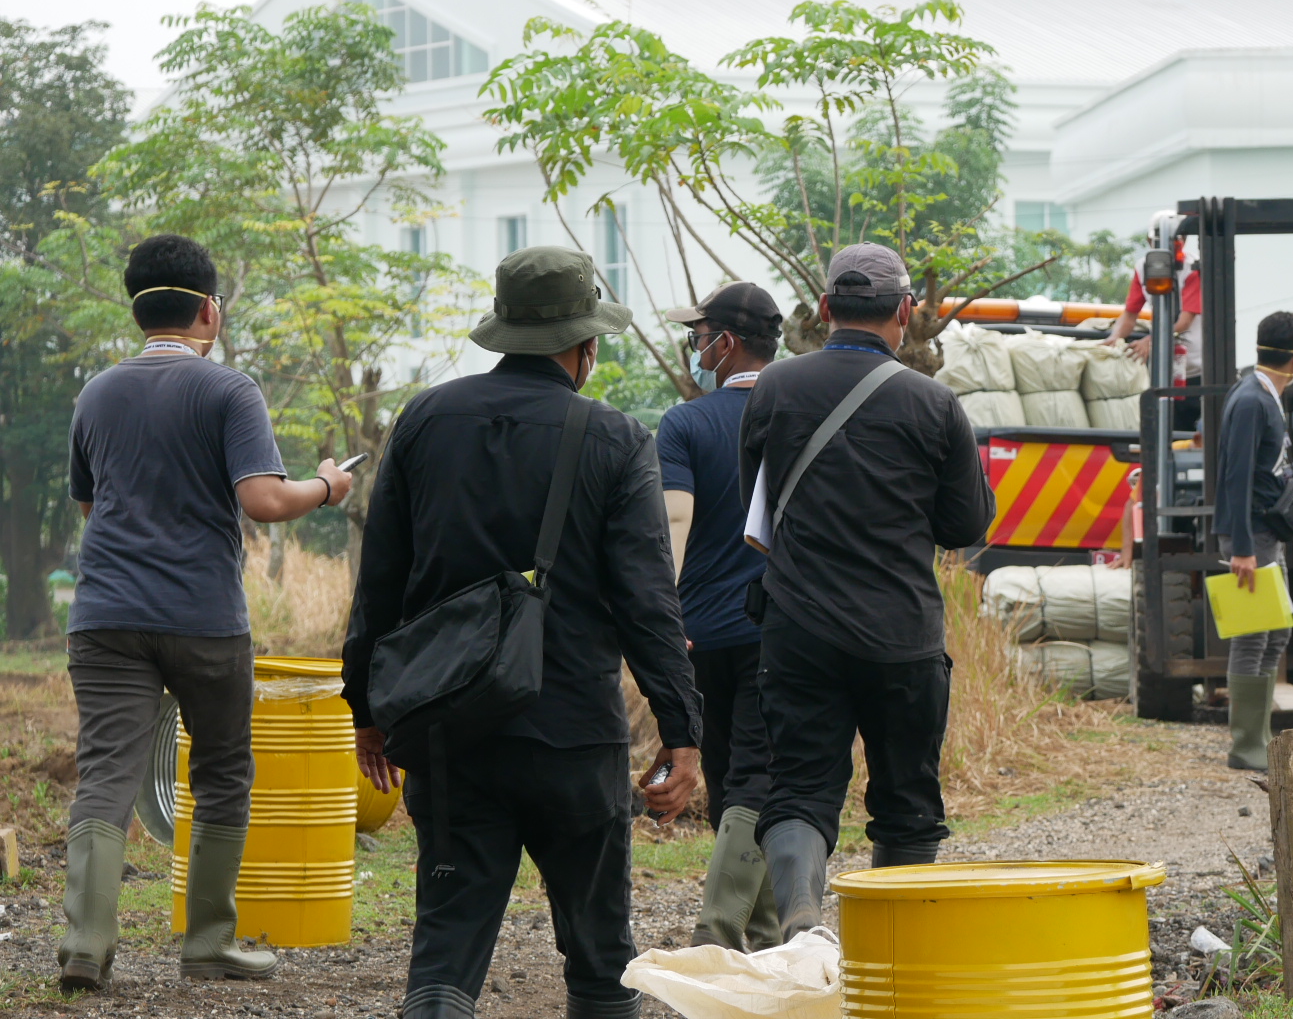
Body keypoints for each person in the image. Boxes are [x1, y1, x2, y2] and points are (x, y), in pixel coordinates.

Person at [342, 247, 702, 1019]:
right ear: (586, 344)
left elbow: (379, 582)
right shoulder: (615, 438)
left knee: (446, 949)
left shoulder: (423, 421)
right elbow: (647, 601)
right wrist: (682, 729)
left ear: (505, 330)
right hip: (573, 734)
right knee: (601, 956)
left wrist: (365, 708)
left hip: (449, 729)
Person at [59, 235, 353, 991]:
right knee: (221, 771)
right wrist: (327, 485)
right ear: (208, 312)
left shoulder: (96, 393)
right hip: (203, 618)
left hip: (105, 615)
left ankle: (86, 944)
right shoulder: (230, 390)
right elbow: (265, 500)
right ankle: (209, 944)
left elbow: (93, 506)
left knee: (107, 771)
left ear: (139, 313)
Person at [740, 243, 995, 942]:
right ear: (905, 312)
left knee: (799, 787)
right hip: (901, 635)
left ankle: (801, 917)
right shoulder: (934, 402)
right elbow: (966, 526)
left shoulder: (774, 388)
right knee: (907, 803)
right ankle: (891, 949)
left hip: (798, 628)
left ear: (825, 308)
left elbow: (752, 502)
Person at [658, 283, 784, 952]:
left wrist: (662, 614)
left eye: (699, 336)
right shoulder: (801, 414)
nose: (696, 348)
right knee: (756, 776)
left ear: (726, 342)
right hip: (782, 627)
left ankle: (728, 929)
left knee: (730, 771)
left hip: (702, 629)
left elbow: (674, 524)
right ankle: (756, 929)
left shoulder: (685, 424)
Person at [1214, 311, 1293, 771]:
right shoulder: (1252, 400)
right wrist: (1242, 548)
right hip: (1251, 536)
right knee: (1253, 635)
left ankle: (1260, 734)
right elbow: (1236, 475)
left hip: (1267, 532)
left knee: (1279, 630)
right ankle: (1246, 744)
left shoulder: (1266, 395)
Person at [1104, 238, 1204, 428]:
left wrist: (1150, 340)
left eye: (1178, 239)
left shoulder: (1192, 268)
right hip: (1162, 369)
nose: (1173, 245)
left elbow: (1184, 322)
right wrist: (1114, 339)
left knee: (1190, 426)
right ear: (1150, 241)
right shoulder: (1143, 268)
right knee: (1163, 422)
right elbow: (1130, 315)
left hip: (1194, 366)